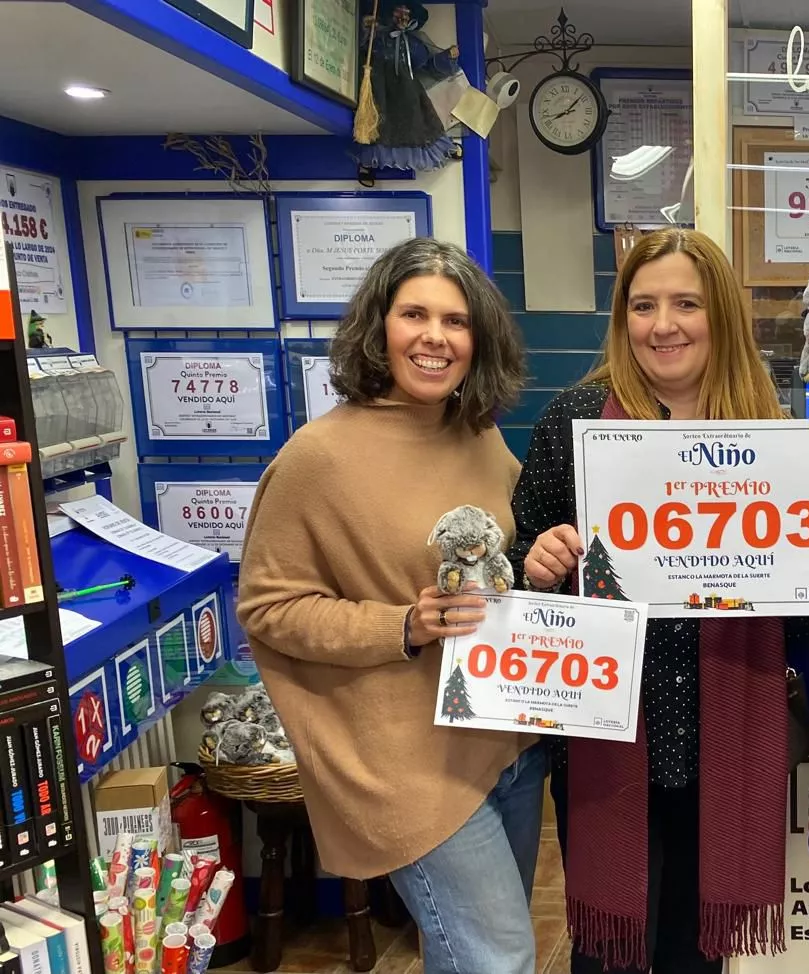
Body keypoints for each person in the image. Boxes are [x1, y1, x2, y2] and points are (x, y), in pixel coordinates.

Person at [510, 227, 809, 974]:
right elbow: (523, 567)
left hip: (724, 734)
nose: (663, 324)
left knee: (695, 955)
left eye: (686, 303)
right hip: (608, 735)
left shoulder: (775, 438)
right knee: (608, 951)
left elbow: (801, 615)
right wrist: (538, 561)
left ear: (721, 317)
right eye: (643, 305)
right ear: (623, 320)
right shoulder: (574, 423)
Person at [236, 237, 542, 974]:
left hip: (502, 742)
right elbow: (270, 607)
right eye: (415, 315)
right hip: (400, 762)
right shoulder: (317, 457)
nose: (436, 337)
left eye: (456, 320)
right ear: (379, 326)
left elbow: (508, 552)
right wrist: (400, 625)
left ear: (479, 339)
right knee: (498, 961)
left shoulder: (478, 434)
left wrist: (542, 558)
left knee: (465, 955)